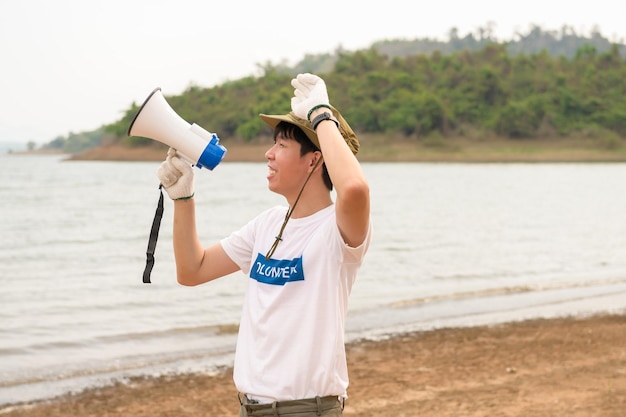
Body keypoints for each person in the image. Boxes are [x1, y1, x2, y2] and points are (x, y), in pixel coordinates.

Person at [156, 73, 372, 416]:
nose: (268, 154)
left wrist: (320, 112)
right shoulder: (267, 224)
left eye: (282, 145)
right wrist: (184, 198)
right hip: (250, 408)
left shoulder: (337, 229)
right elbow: (191, 271)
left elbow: (355, 189)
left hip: (306, 411)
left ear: (314, 159)